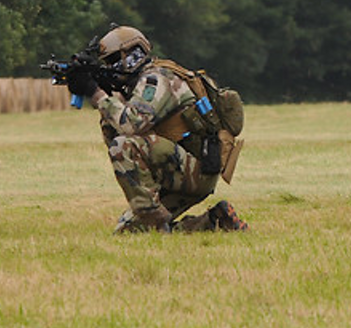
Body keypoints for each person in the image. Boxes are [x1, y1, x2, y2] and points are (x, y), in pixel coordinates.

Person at [65, 24, 248, 235]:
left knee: (124, 147)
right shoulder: (138, 84)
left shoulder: (157, 80)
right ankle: (214, 221)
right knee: (129, 233)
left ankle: (156, 221)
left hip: (196, 168)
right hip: (181, 168)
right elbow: (114, 134)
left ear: (133, 53)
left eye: (114, 60)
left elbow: (130, 127)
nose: (111, 66)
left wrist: (95, 93)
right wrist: (109, 96)